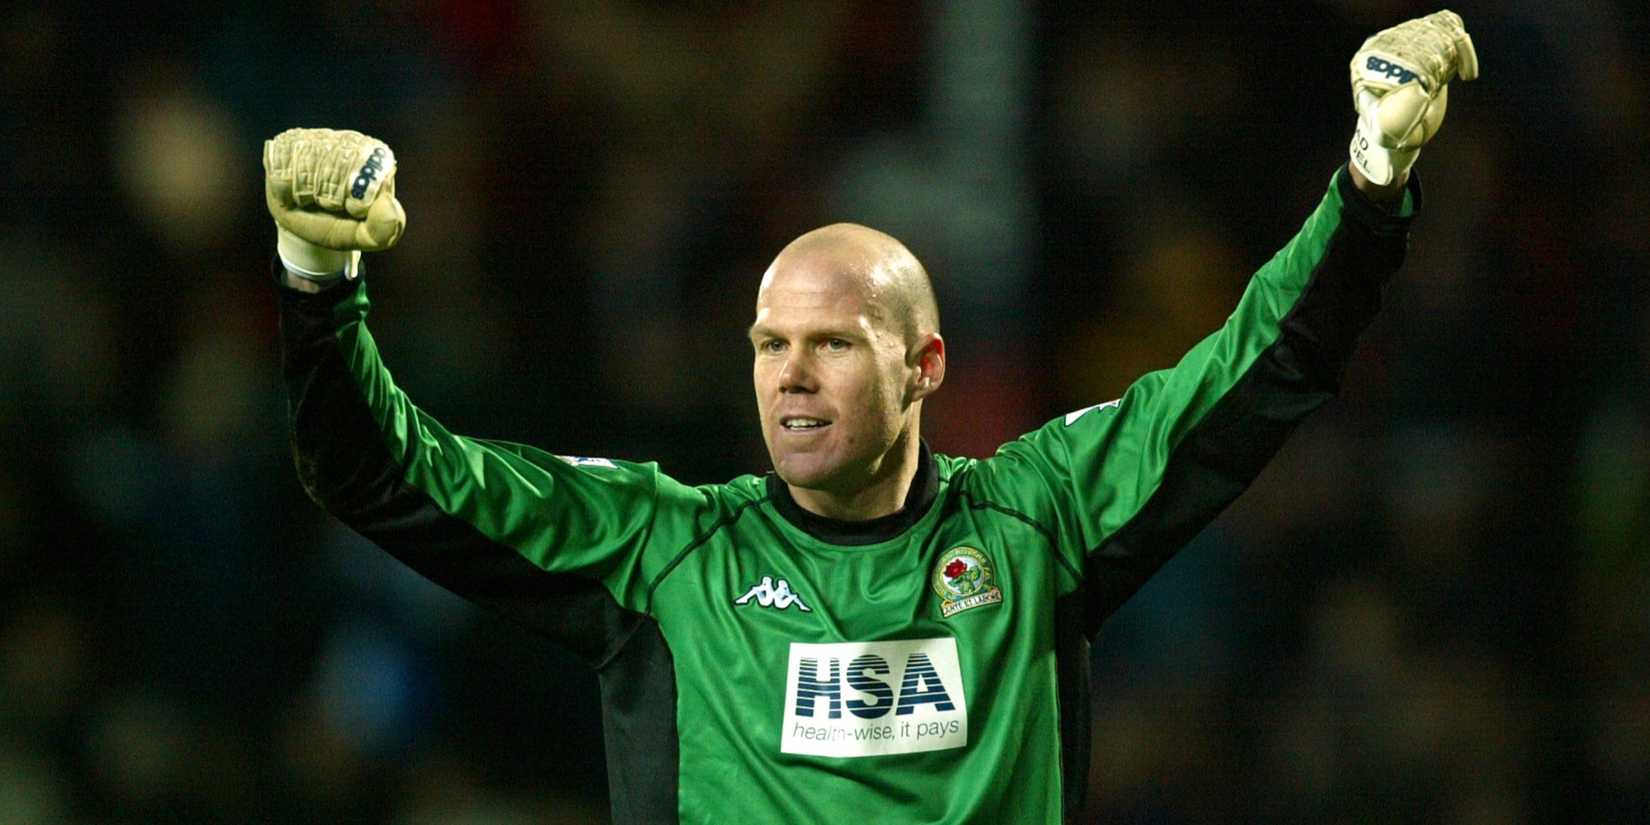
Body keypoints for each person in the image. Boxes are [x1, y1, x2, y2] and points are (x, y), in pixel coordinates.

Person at [266, 11, 1476, 824]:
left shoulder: (1038, 518)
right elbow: (385, 474)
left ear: (924, 365)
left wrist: (1371, 178)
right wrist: (318, 284)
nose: (790, 375)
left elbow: (1252, 372)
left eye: (833, 343)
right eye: (770, 346)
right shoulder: (662, 551)